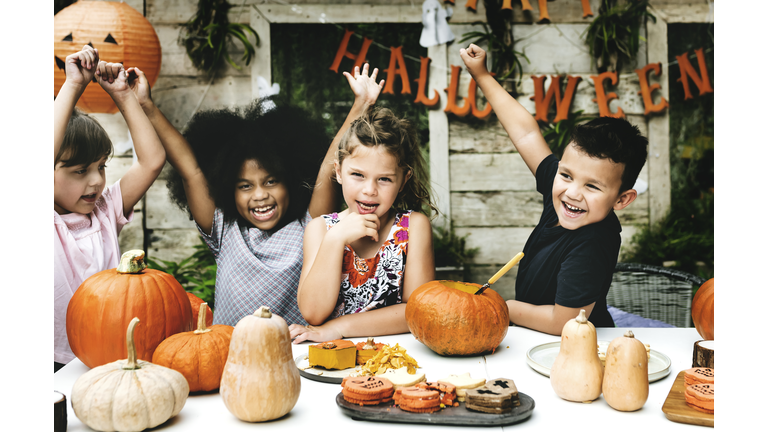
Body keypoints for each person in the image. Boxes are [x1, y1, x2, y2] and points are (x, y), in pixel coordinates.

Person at [131, 63, 385, 327]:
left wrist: (362, 103)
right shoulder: (224, 231)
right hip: (229, 359)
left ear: (292, 182)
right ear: (228, 189)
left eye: (271, 181)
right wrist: (146, 105)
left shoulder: (311, 227)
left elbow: (327, 168)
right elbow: (191, 170)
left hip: (294, 360)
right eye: (245, 186)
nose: (260, 195)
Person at [460, 44, 648, 335]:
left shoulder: (593, 243)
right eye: (566, 175)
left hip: (575, 347)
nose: (573, 192)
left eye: (592, 186)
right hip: (532, 338)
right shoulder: (561, 193)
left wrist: (503, 307)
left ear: (622, 199)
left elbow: (565, 322)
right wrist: (482, 74)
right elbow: (525, 133)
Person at [54, 45, 166, 370]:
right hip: (50, 362)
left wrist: (123, 94)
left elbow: (151, 161)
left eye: (101, 167)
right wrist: (73, 84)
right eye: (79, 171)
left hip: (105, 354)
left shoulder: (103, 211)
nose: (95, 182)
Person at [289, 105, 436, 344]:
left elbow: (419, 311)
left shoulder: (413, 228)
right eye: (358, 175)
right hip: (335, 358)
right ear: (338, 171)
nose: (370, 190)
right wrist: (336, 239)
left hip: (399, 355)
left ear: (403, 181)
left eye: (385, 179)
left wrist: (339, 327)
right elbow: (313, 313)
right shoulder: (320, 229)